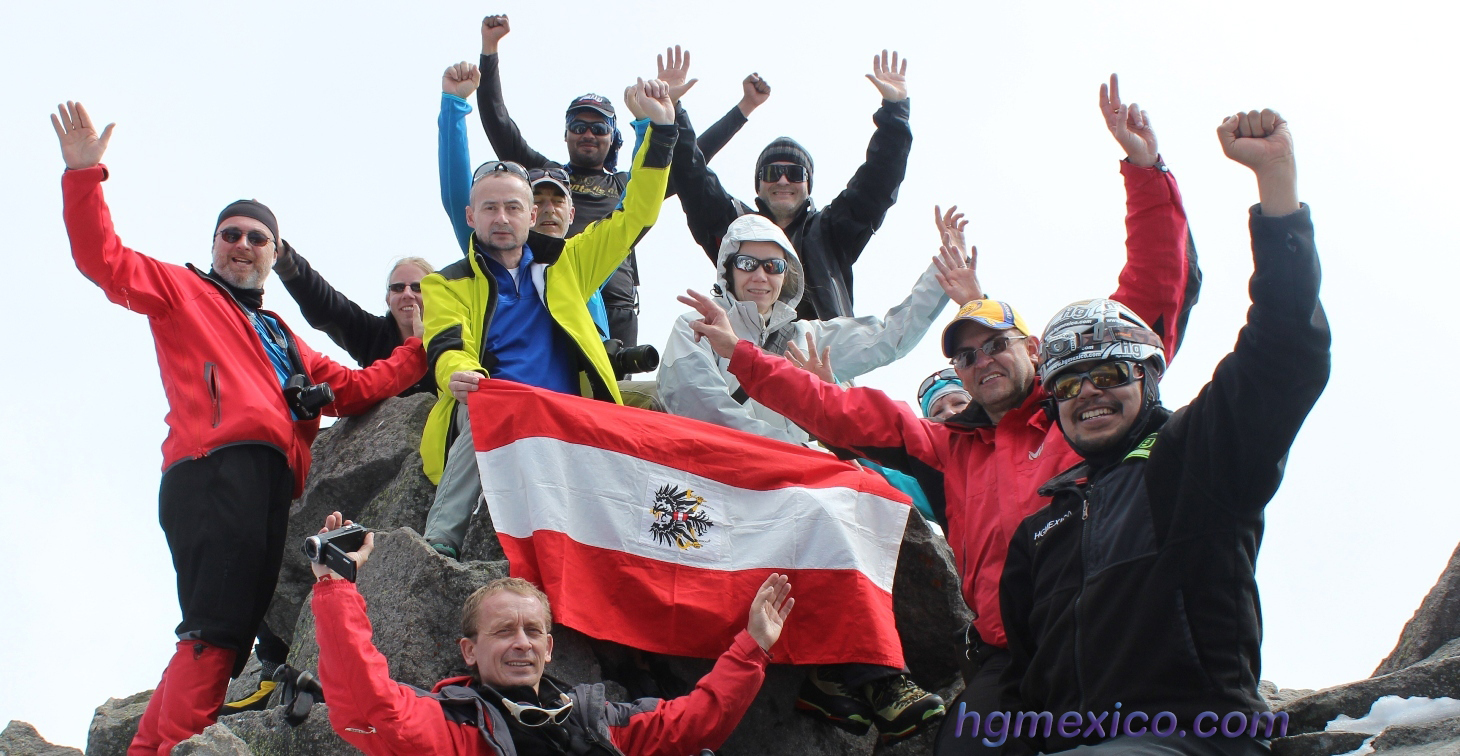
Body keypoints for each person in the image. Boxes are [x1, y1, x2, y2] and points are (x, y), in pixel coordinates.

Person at [672, 75, 1199, 755]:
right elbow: (847, 410)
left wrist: (1145, 171)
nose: (980, 363)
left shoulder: (1080, 413)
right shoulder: (954, 443)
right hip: (1008, 658)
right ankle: (859, 678)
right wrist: (740, 357)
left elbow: (1147, 302)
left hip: (1103, 631)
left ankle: (858, 675)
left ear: (1034, 350)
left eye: (994, 348)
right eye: (967, 357)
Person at [50, 101, 428, 755]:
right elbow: (103, 259)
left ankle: (158, 745)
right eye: (232, 234)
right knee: (218, 631)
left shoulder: (281, 334)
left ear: (275, 252)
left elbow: (357, 387)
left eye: (258, 238)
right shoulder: (180, 289)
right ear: (215, 244)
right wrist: (85, 176)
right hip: (213, 470)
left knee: (216, 633)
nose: (244, 245)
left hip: (263, 483)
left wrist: (421, 348)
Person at [994, 107, 1326, 755]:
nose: (1087, 393)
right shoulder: (1041, 528)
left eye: (1110, 372)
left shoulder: (1195, 458)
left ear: (1149, 377)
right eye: (1066, 383)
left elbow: (1285, 350)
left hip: (1195, 737)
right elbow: (1026, 676)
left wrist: (1277, 191)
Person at [664, 212, 982, 742]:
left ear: (788, 273)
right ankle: (878, 677)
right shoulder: (698, 321)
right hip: (726, 479)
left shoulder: (805, 334)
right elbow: (697, 403)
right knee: (836, 503)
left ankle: (835, 677)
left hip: (801, 477)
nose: (760, 276)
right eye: (748, 263)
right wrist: (797, 452)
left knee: (876, 498)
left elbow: (888, 337)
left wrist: (940, 281)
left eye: (773, 264)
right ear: (728, 267)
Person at [420, 79, 678, 560]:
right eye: (490, 208)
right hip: (501, 411)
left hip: (566, 415)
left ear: (531, 213)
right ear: (470, 216)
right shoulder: (446, 281)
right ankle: (440, 543)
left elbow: (635, 214)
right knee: (484, 401)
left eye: (513, 207)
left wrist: (660, 131)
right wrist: (460, 372)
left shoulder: (569, 264)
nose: (502, 217)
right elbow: (445, 341)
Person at [311, 512, 794, 756]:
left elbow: (695, 723)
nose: (521, 642)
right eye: (503, 631)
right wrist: (336, 588)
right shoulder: (453, 727)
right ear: (469, 651)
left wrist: (751, 647)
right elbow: (367, 704)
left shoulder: (596, 718)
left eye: (533, 631)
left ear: (549, 648)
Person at [475, 17, 766, 348]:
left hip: (617, 306)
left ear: (613, 137)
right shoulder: (546, 178)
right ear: (566, 133)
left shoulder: (625, 185)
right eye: (578, 125)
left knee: (615, 395)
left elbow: (691, 163)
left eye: (599, 128)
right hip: (553, 291)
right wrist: (490, 49)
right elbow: (498, 123)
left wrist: (741, 109)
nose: (588, 133)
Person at [672, 49, 913, 321]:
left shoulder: (832, 232)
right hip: (743, 356)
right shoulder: (734, 229)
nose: (783, 180)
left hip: (818, 358)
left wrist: (895, 111)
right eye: (773, 172)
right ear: (759, 184)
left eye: (795, 173)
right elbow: (691, 176)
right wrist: (674, 111)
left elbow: (878, 183)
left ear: (808, 185)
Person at [272, 249, 437, 396]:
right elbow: (327, 306)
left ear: (435, 296)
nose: (407, 294)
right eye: (398, 288)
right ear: (388, 299)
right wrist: (284, 258)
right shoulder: (372, 335)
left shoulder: (453, 336)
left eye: (418, 287)